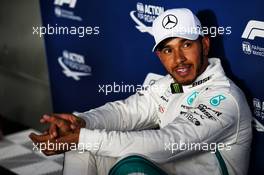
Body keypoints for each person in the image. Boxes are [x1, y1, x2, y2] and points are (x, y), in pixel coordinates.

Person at [29, 8, 252, 175]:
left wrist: (84, 138)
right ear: (159, 55)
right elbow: (126, 112)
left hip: (166, 165)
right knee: (83, 147)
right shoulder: (171, 84)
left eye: (186, 45)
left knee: (121, 160)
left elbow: (167, 143)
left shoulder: (225, 97)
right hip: (166, 169)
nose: (178, 59)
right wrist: (81, 123)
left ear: (204, 45)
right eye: (168, 50)